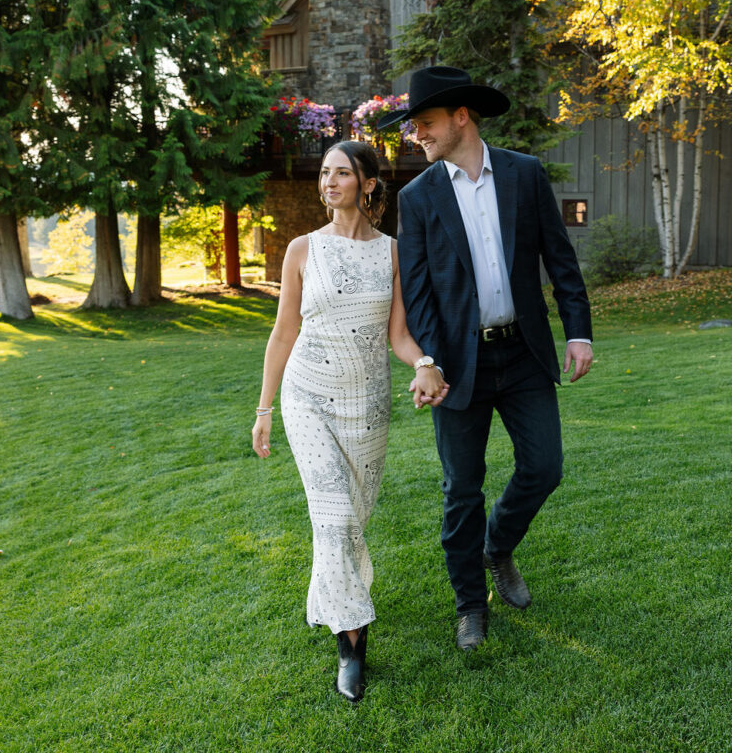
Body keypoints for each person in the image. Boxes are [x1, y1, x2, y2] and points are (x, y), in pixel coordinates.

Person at [376, 65, 593, 652]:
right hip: (456, 365)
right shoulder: (416, 198)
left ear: (461, 117)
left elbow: (560, 259)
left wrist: (579, 332)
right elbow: (417, 294)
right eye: (414, 126)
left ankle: (498, 549)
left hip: (524, 353)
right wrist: (428, 362)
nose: (416, 134)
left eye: (424, 123)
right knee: (461, 489)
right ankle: (471, 604)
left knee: (545, 467)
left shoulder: (524, 174)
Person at [252, 140, 448, 702]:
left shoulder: (392, 252)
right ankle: (352, 646)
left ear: (367, 183)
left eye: (341, 173)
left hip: (367, 404)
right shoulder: (300, 250)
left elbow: (400, 337)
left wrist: (426, 365)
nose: (328, 182)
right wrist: (265, 409)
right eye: (323, 174)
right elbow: (283, 333)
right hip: (307, 396)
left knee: (353, 519)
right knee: (334, 519)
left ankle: (337, 603)